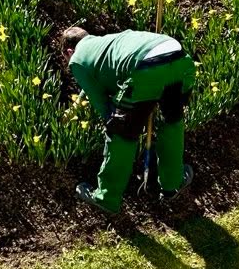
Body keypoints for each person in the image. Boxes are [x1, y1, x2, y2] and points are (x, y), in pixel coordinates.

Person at [60, 26, 195, 215]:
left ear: (69, 51)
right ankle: (172, 184)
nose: (69, 63)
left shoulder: (77, 60)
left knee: (121, 132)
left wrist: (116, 121)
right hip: (179, 58)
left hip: (146, 69)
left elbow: (102, 104)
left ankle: (107, 197)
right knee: (171, 121)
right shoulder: (107, 42)